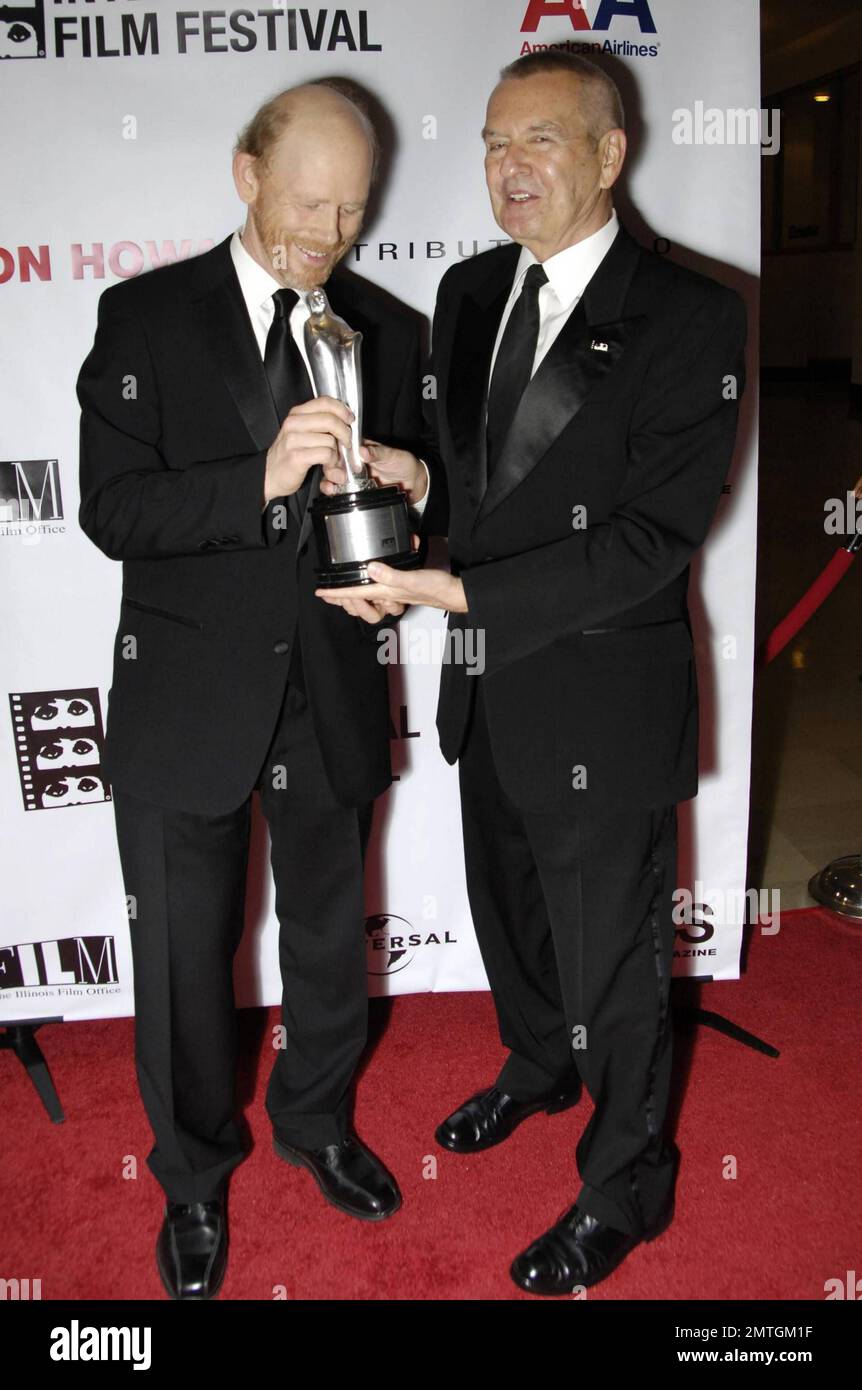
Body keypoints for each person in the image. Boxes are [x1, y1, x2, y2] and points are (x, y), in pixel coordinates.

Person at [318, 51, 747, 1295]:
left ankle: (627, 1183)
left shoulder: (693, 315)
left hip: (601, 694)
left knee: (611, 955)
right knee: (509, 912)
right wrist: (413, 483)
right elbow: (484, 486)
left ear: (609, 155)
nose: (510, 166)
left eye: (541, 142)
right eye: (496, 142)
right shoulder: (463, 294)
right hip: (487, 677)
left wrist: (455, 590)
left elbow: (649, 540)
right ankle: (534, 1061)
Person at [76, 81, 427, 1300]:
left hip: (329, 686)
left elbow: (433, 511)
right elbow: (113, 511)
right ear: (245, 175)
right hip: (186, 698)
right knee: (181, 958)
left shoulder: (388, 324)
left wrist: (418, 482)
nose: (328, 233)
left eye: (351, 207)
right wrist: (257, 474)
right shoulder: (146, 317)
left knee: (329, 937)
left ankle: (318, 1121)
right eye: (305, 202)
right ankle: (189, 1178)